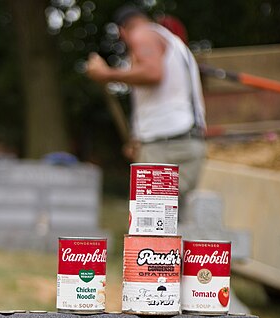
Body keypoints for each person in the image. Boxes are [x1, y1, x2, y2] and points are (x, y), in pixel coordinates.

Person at [86, 4, 206, 208]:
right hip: (186, 141)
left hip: (165, 146)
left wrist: (106, 74)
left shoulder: (142, 34)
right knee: (175, 224)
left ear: (122, 30)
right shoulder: (174, 43)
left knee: (151, 223)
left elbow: (152, 73)